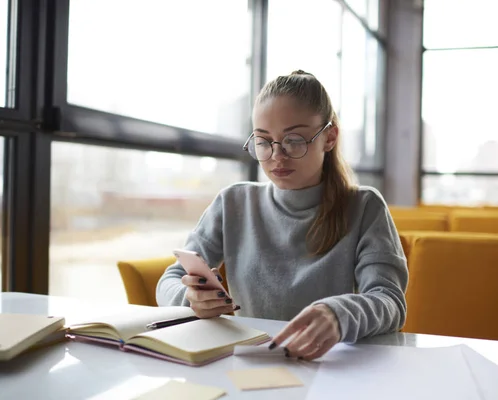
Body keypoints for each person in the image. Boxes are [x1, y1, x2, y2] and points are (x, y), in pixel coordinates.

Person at [156, 70, 408, 361]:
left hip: (328, 366)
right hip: (248, 366)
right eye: (263, 142)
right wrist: (190, 298)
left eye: (294, 140)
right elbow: (170, 279)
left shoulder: (364, 207)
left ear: (329, 137)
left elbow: (390, 302)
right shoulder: (233, 203)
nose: (277, 155)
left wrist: (340, 315)